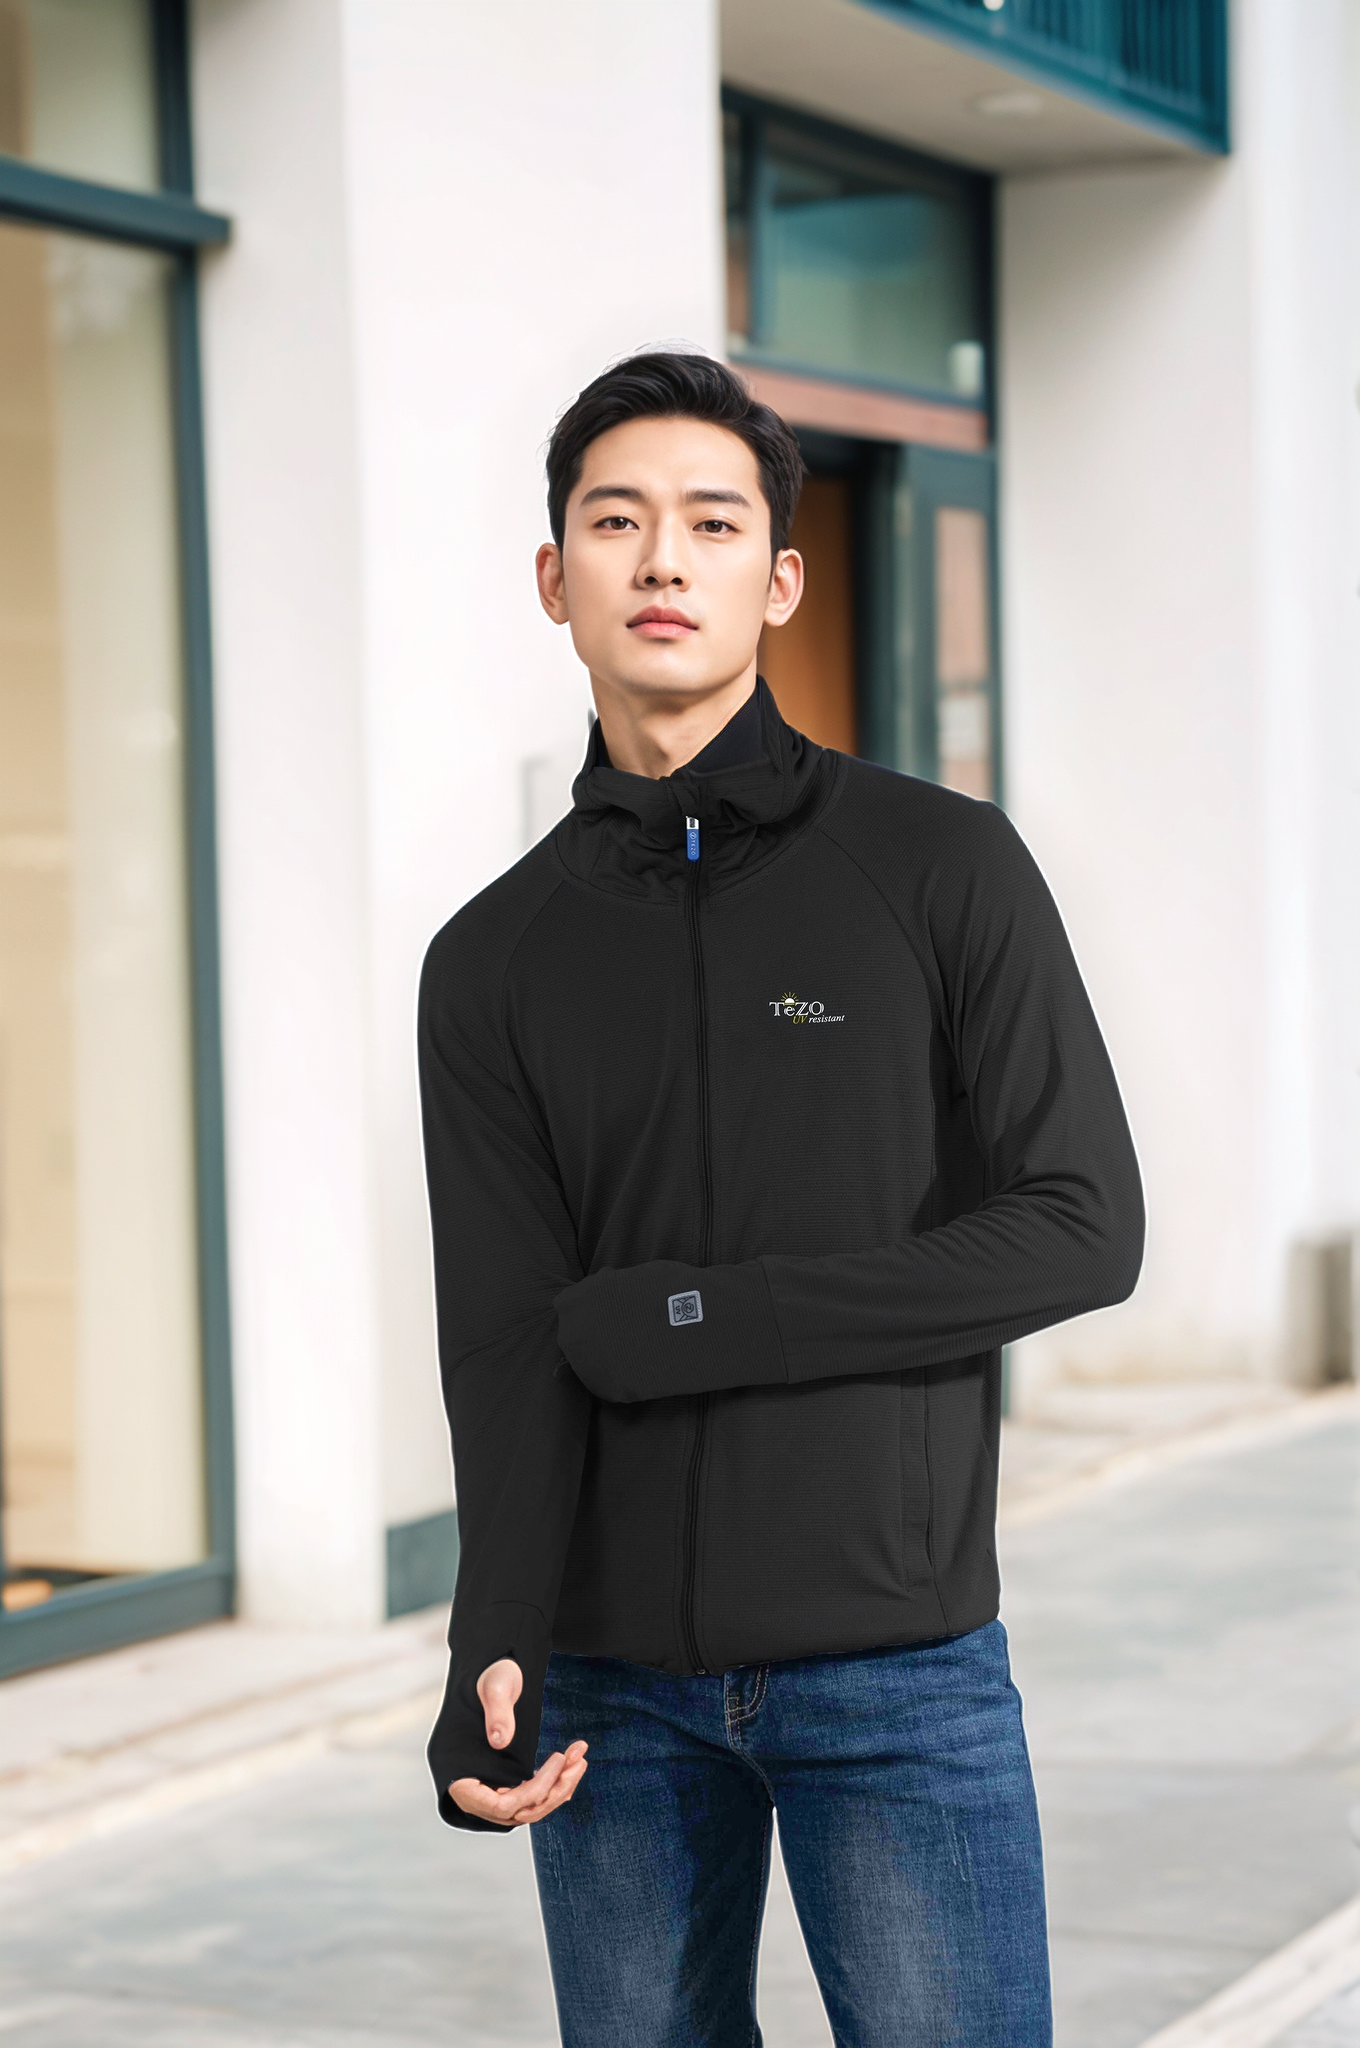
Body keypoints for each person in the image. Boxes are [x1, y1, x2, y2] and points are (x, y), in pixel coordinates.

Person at [417, 350, 1143, 2046]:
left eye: (711, 522)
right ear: (555, 579)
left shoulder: (940, 866)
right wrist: (490, 1642)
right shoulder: (492, 959)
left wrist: (711, 1315)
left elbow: (1082, 1220)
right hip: (607, 1688)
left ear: (781, 579)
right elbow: (507, 1340)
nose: (663, 560)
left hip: (890, 1668)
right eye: (617, 523)